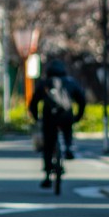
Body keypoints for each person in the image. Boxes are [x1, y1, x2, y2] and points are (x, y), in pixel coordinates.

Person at [28, 57, 86, 186]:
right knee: (67, 131)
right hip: (66, 115)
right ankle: (68, 147)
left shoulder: (44, 83)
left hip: (49, 117)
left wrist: (37, 118)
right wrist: (78, 116)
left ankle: (48, 174)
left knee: (48, 145)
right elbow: (82, 100)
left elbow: (33, 103)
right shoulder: (71, 82)